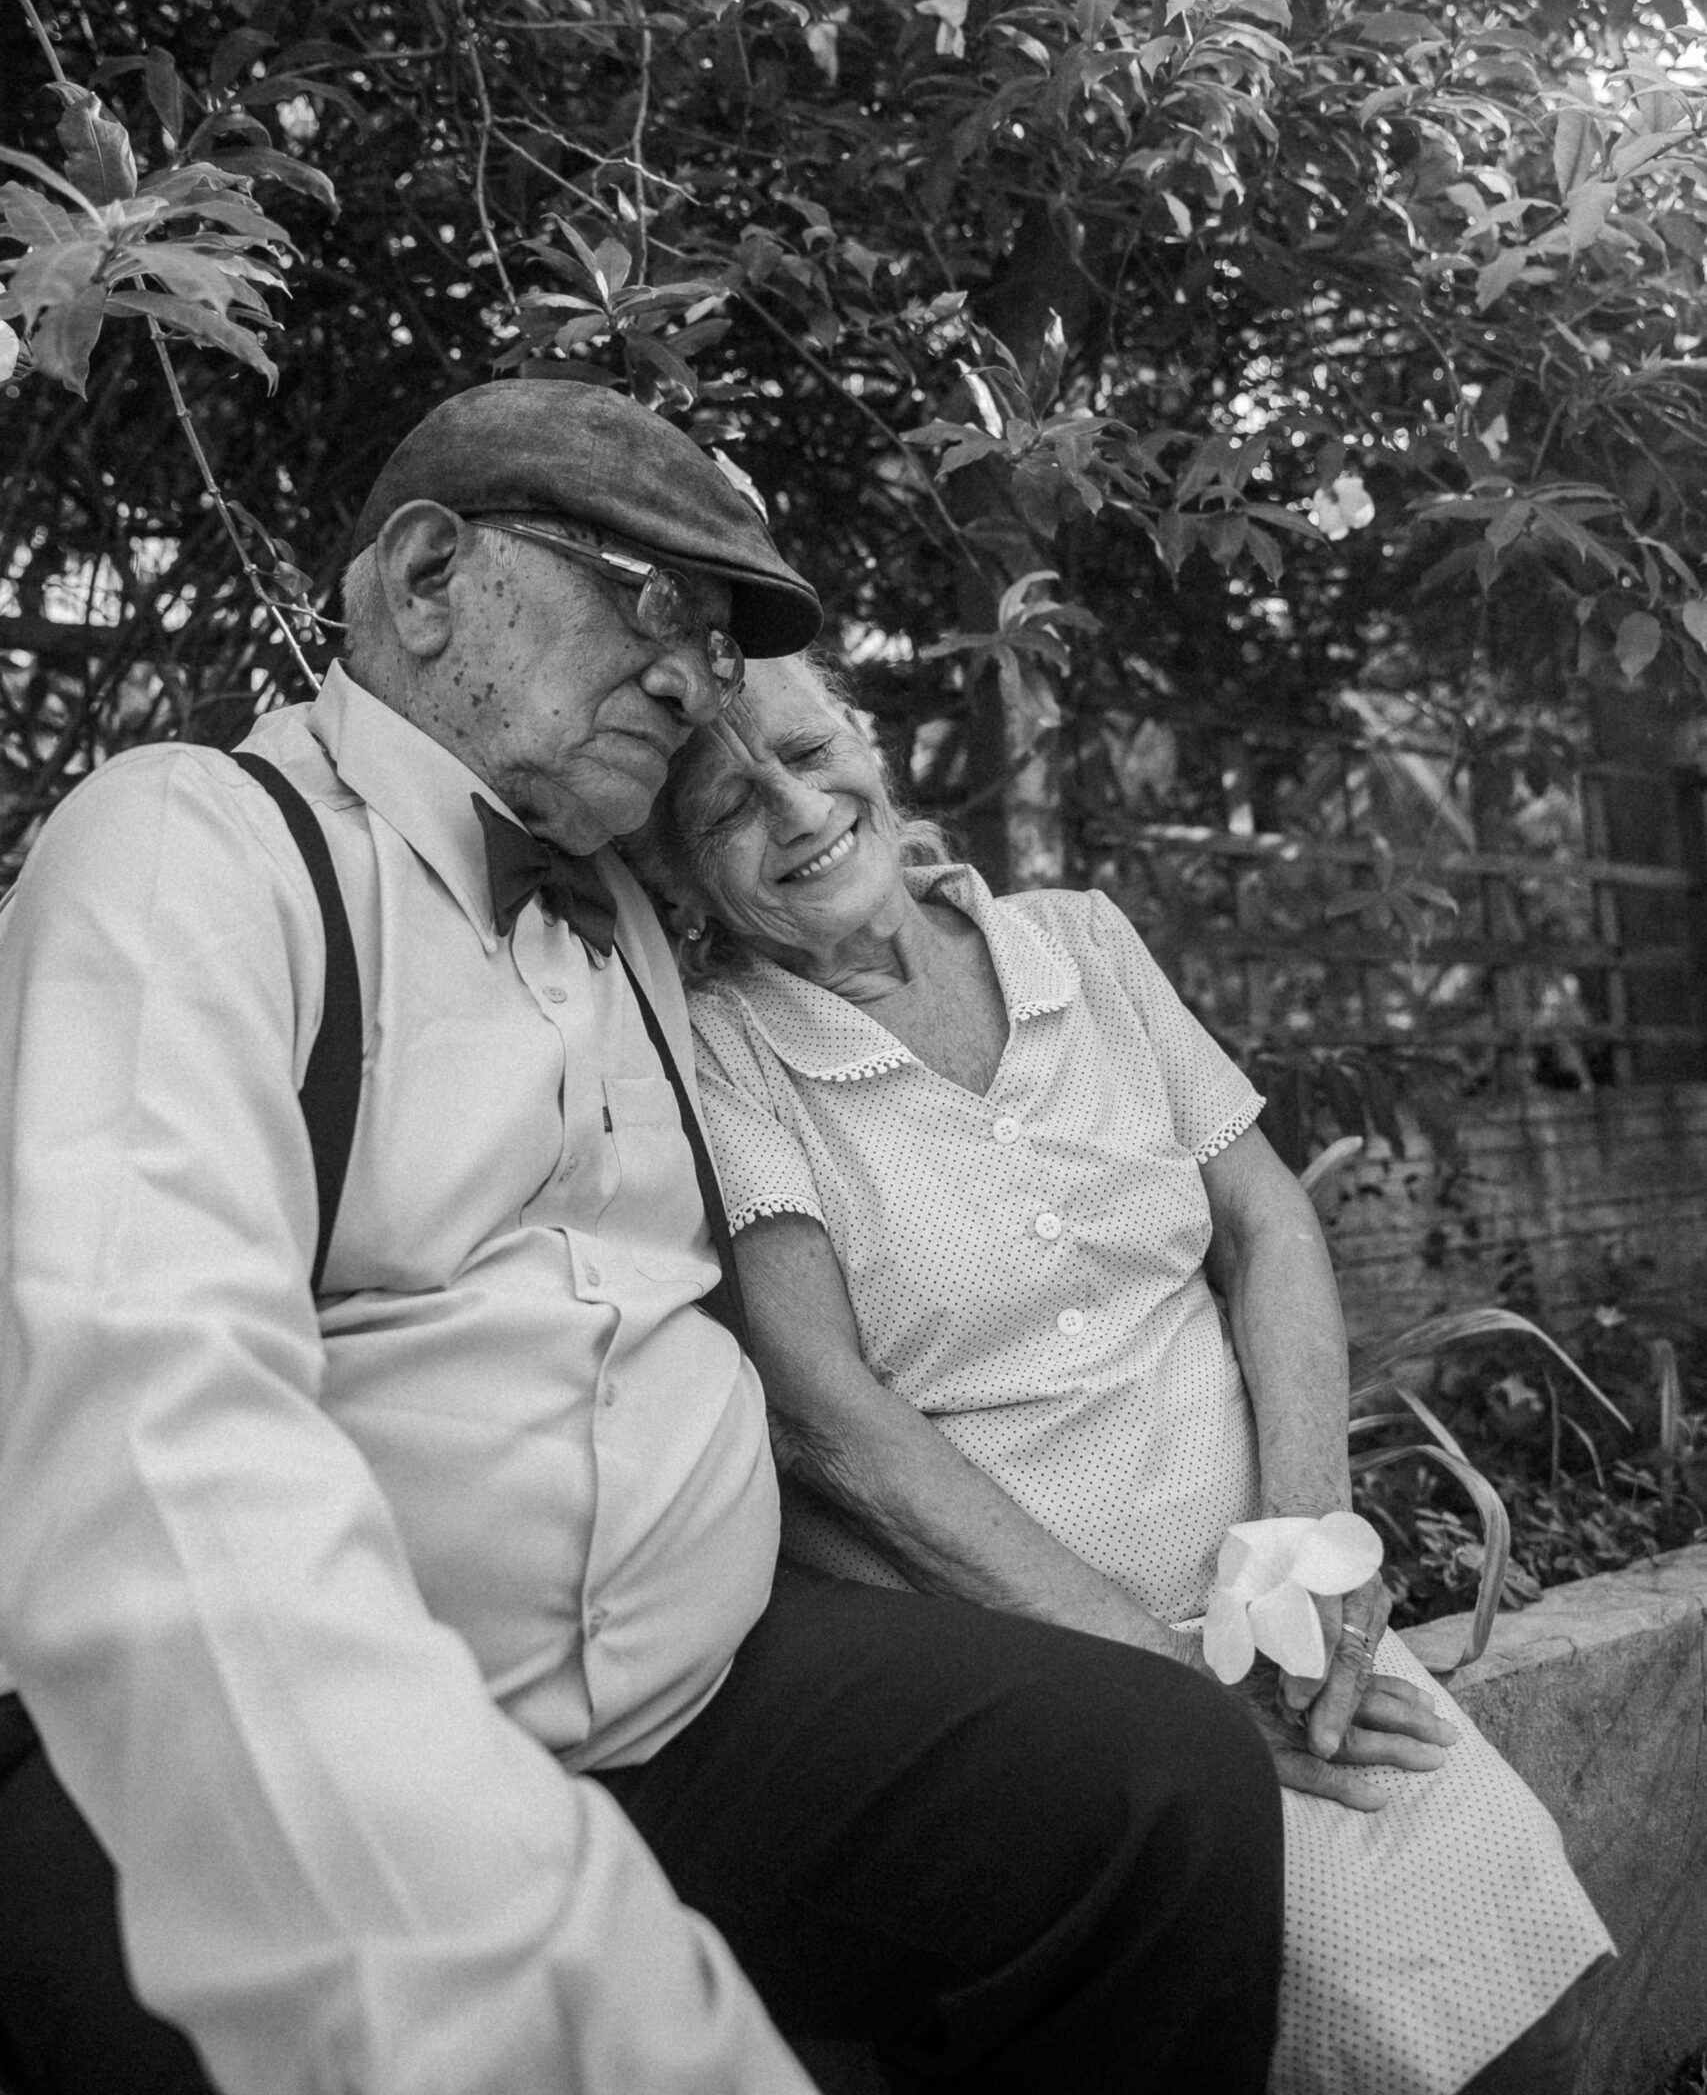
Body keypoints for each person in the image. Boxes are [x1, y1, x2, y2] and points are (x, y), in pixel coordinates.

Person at [0, 379, 1288, 2095]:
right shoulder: (198, 851)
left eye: (716, 634)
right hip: (283, 1726)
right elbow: (153, 1433)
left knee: (1159, 1790)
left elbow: (898, 982)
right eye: (646, 600)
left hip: (706, 1706)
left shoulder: (643, 927)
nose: (691, 676)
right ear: (430, 576)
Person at [631, 648, 1617, 2095]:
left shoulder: (1079, 945)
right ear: (688, 882)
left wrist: (1308, 1556)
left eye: (806, 748)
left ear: (867, 738)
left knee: (1543, 1988)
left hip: (1271, 1615)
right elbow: (827, 1420)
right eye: (728, 807)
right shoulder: (732, 1053)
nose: (795, 809)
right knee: (1392, 2026)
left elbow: (1269, 1223)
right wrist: (1169, 1688)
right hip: (1067, 1694)